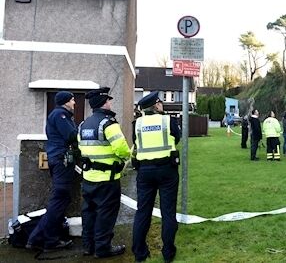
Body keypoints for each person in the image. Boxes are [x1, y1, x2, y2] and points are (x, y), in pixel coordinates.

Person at [78, 87, 130, 258]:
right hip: (107, 179)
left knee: (89, 212)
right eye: (108, 100)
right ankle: (102, 248)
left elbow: (81, 149)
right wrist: (125, 158)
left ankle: (88, 246)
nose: (110, 103)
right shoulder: (108, 123)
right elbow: (121, 148)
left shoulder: (83, 125)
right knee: (105, 214)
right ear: (103, 103)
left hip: (88, 178)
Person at [131, 91, 181, 263]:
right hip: (167, 170)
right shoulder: (168, 121)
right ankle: (168, 252)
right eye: (160, 102)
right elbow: (177, 138)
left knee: (143, 212)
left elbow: (136, 143)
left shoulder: (136, 124)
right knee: (168, 212)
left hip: (145, 171)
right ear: (156, 105)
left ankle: (139, 253)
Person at [26, 91, 77, 252]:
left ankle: (48, 238)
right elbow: (71, 135)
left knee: (61, 198)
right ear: (66, 102)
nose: (75, 103)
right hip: (61, 160)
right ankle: (41, 239)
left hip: (58, 159)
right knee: (59, 198)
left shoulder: (58, 115)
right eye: (73, 100)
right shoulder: (60, 115)